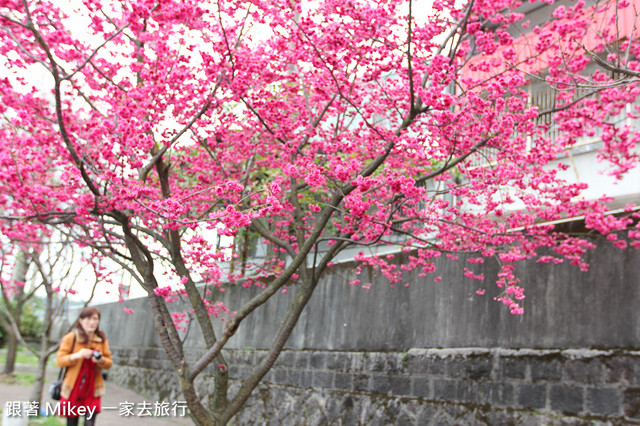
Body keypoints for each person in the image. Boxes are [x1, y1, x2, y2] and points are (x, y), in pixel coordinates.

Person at [56, 307, 112, 426]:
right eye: (88, 319)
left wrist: (100, 359)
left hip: (93, 387)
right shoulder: (71, 338)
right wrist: (77, 356)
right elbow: (60, 360)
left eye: (95, 319)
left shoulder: (101, 340)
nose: (92, 322)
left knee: (90, 422)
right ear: (80, 320)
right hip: (73, 386)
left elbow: (109, 363)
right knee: (72, 422)